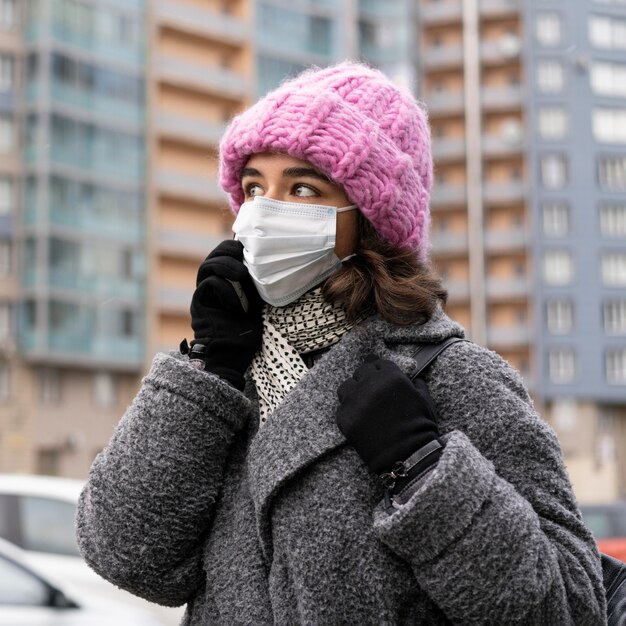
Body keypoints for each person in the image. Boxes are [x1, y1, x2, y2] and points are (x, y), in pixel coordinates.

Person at [76, 62, 606, 625]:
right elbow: (126, 556)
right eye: (254, 186)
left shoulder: (452, 377)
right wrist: (209, 369)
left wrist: (423, 468)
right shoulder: (235, 379)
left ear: (371, 220)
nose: (262, 212)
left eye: (302, 187)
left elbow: (569, 608)